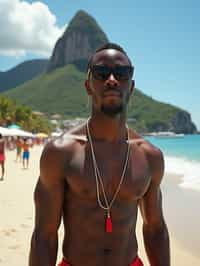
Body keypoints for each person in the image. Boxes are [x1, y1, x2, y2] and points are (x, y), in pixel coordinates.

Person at [29, 43, 170, 266]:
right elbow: (44, 237)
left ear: (131, 86)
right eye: (101, 73)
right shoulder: (60, 153)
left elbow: (155, 229)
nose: (112, 79)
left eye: (122, 73)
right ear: (88, 85)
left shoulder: (150, 157)